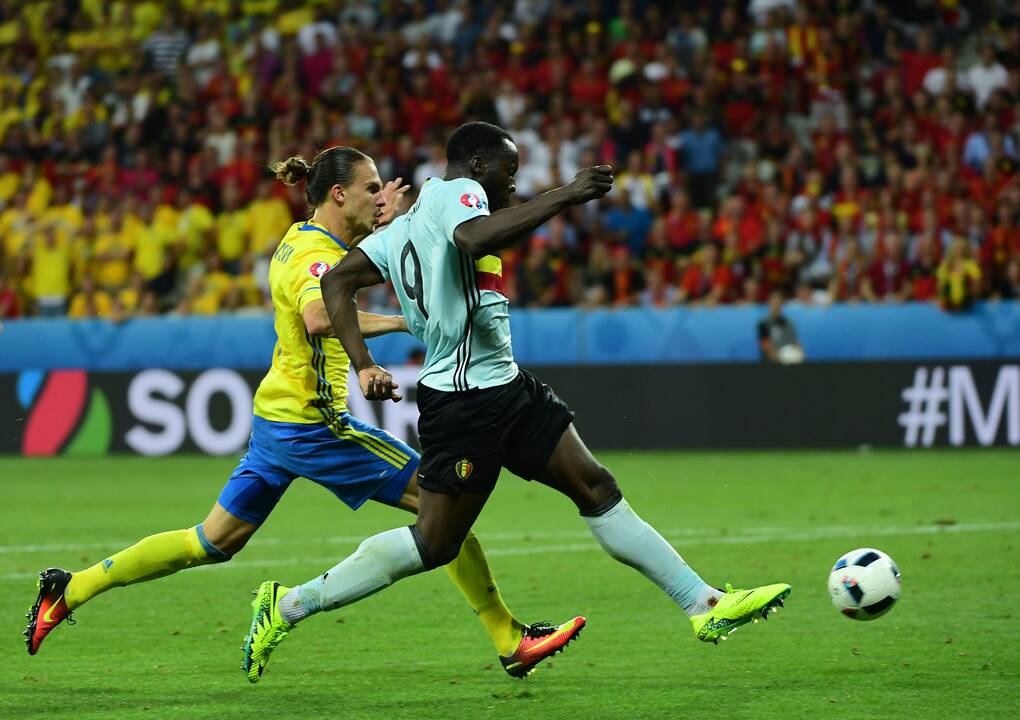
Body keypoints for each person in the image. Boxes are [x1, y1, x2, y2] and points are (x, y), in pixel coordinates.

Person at [243, 122, 791, 683]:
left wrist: (364, 364)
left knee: (595, 487)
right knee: (433, 541)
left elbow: (338, 284)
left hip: (505, 386)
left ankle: (703, 606)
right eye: (509, 172)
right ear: (479, 167)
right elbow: (473, 239)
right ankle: (291, 605)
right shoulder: (462, 195)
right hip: (463, 403)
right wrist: (566, 194)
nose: (512, 184)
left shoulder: (404, 227)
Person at [26, 147, 576, 684]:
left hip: (276, 421)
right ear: (338, 193)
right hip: (316, 426)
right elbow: (318, 314)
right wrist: (404, 324)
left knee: (213, 540)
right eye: (369, 188)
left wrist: (377, 221)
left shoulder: (301, 238)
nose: (379, 196)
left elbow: (342, 259)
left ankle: (69, 589)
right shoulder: (317, 258)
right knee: (443, 510)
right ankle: (508, 638)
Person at [758, 290, 805, 364]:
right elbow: (765, 345)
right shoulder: (763, 323)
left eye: (778, 304)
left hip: (789, 361)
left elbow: (795, 342)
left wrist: (799, 353)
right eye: (774, 303)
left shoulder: (789, 323)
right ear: (769, 304)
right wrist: (779, 359)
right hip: (772, 362)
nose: (776, 306)